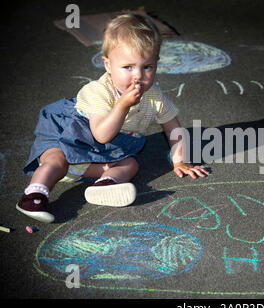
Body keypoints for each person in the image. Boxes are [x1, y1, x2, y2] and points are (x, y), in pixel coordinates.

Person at [16, 13, 209, 223]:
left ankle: (105, 184)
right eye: (128, 67)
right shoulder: (98, 92)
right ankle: (34, 195)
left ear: (156, 63)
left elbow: (172, 126)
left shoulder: (154, 96)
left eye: (147, 67)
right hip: (71, 136)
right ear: (107, 64)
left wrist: (180, 160)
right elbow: (101, 135)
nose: (138, 75)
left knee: (131, 164)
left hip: (93, 161)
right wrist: (123, 105)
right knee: (57, 160)